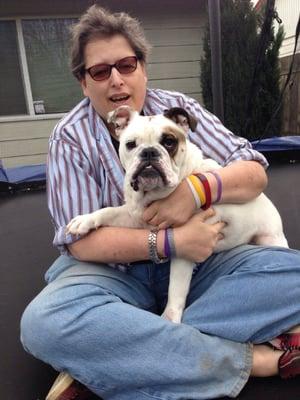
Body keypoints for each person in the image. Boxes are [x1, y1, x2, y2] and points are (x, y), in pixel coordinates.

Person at [20, 5, 300, 400]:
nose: (116, 79)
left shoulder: (177, 110)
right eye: (100, 71)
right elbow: (80, 243)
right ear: (84, 83)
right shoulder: (68, 138)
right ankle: (252, 360)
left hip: (206, 266)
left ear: (143, 68)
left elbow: (254, 172)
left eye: (127, 64)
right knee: (43, 323)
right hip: (115, 274)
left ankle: (117, 352)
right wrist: (171, 242)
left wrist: (195, 191)